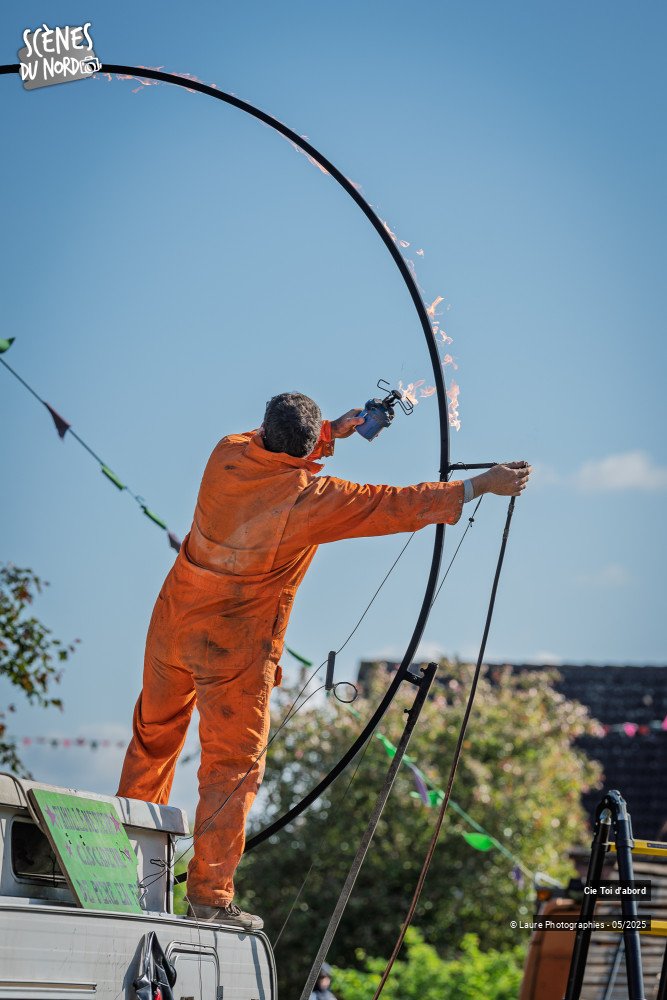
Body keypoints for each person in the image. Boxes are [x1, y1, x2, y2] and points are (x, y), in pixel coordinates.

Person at [117, 392, 530, 929]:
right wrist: (480, 485)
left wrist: (334, 431)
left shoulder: (227, 453)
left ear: (264, 429)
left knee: (153, 737)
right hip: (234, 647)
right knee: (232, 768)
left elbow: (278, 449)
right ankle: (209, 896)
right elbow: (394, 504)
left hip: (173, 624)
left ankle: (117, 863)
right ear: (306, 451)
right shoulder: (309, 498)